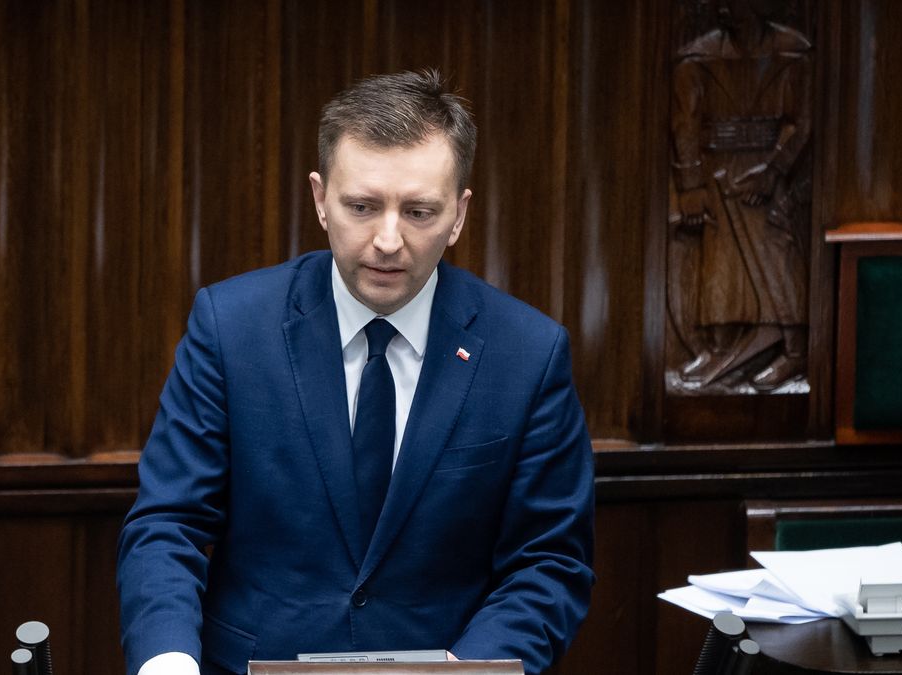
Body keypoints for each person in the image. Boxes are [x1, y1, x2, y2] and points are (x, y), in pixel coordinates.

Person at [117, 69, 595, 675]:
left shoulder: (528, 352)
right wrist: (167, 660)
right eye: (362, 206)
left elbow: (549, 559)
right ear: (320, 200)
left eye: (419, 211)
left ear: (459, 214)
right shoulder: (231, 327)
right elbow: (168, 523)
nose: (388, 240)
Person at [669, 0, 811, 391]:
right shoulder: (697, 57)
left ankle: (794, 350)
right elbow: (686, 124)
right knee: (719, 263)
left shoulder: (792, 50)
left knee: (778, 256)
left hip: (769, 178)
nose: (726, 8)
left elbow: (803, 121)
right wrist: (691, 186)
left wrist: (774, 170)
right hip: (717, 171)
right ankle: (723, 345)